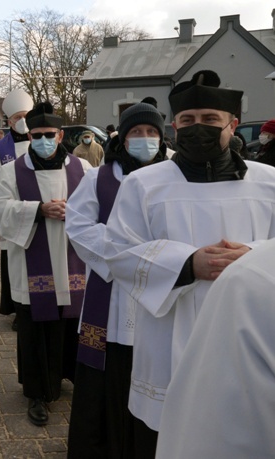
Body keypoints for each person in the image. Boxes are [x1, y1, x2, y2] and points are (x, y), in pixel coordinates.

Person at [103, 70, 275, 456]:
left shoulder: (270, 183)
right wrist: (186, 263)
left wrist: (253, 257)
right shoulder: (144, 184)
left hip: (251, 335)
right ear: (176, 127)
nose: (199, 128)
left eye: (211, 120)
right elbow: (117, 250)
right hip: (168, 336)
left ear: (232, 125)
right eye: (188, 121)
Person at [65, 102, 169, 458]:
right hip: (110, 299)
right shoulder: (99, 177)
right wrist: (127, 257)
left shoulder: (175, 177)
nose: (144, 139)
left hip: (161, 292)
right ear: (122, 140)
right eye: (136, 133)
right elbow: (77, 225)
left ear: (162, 136)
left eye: (151, 132)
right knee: (107, 381)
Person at [0, 101, 91, 426]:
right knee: (36, 329)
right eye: (37, 136)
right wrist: (37, 210)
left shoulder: (82, 169)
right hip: (33, 266)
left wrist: (72, 210)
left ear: (61, 135)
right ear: (29, 136)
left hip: (73, 264)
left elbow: (100, 208)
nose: (44, 140)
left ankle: (69, 375)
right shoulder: (11, 172)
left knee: (69, 325)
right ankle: (36, 392)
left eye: (49, 135)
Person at [155, 237, 275, 459]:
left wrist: (252, 251)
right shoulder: (249, 278)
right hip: (165, 325)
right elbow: (116, 243)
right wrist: (186, 264)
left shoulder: (251, 278)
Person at [0, 89, 34, 330]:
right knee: (15, 264)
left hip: (40, 212)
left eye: (26, 115)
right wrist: (11, 189)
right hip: (15, 212)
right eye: (17, 117)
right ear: (10, 121)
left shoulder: (43, 139)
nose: (22, 121)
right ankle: (18, 309)